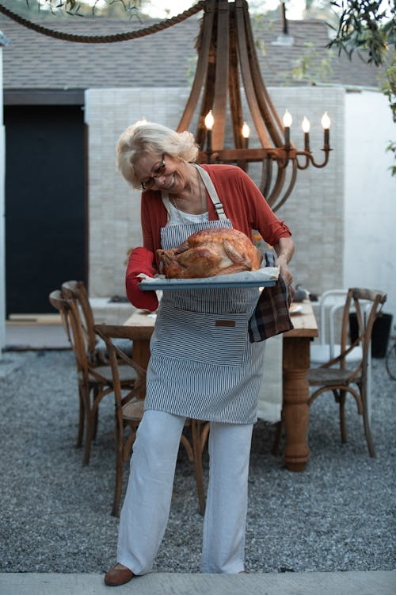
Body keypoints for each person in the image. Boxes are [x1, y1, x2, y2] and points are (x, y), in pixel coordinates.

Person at [104, 121, 294, 586]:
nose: (159, 184)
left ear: (176, 152)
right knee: (153, 440)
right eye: (148, 180)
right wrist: (138, 268)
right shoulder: (154, 203)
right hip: (180, 332)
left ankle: (225, 566)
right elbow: (155, 256)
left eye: (161, 170)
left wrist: (283, 266)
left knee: (231, 456)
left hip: (233, 335)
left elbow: (277, 234)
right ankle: (134, 556)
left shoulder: (230, 179)